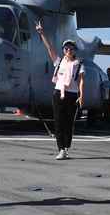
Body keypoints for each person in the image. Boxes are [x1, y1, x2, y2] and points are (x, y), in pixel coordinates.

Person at [35, 20, 84, 160]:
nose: (69, 50)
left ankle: (66, 147)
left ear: (74, 50)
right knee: (58, 123)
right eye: (66, 48)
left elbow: (81, 81)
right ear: (63, 50)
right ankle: (61, 150)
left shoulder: (79, 64)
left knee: (69, 124)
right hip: (59, 95)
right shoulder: (59, 61)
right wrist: (41, 32)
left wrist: (82, 96)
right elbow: (49, 47)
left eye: (71, 48)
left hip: (72, 95)